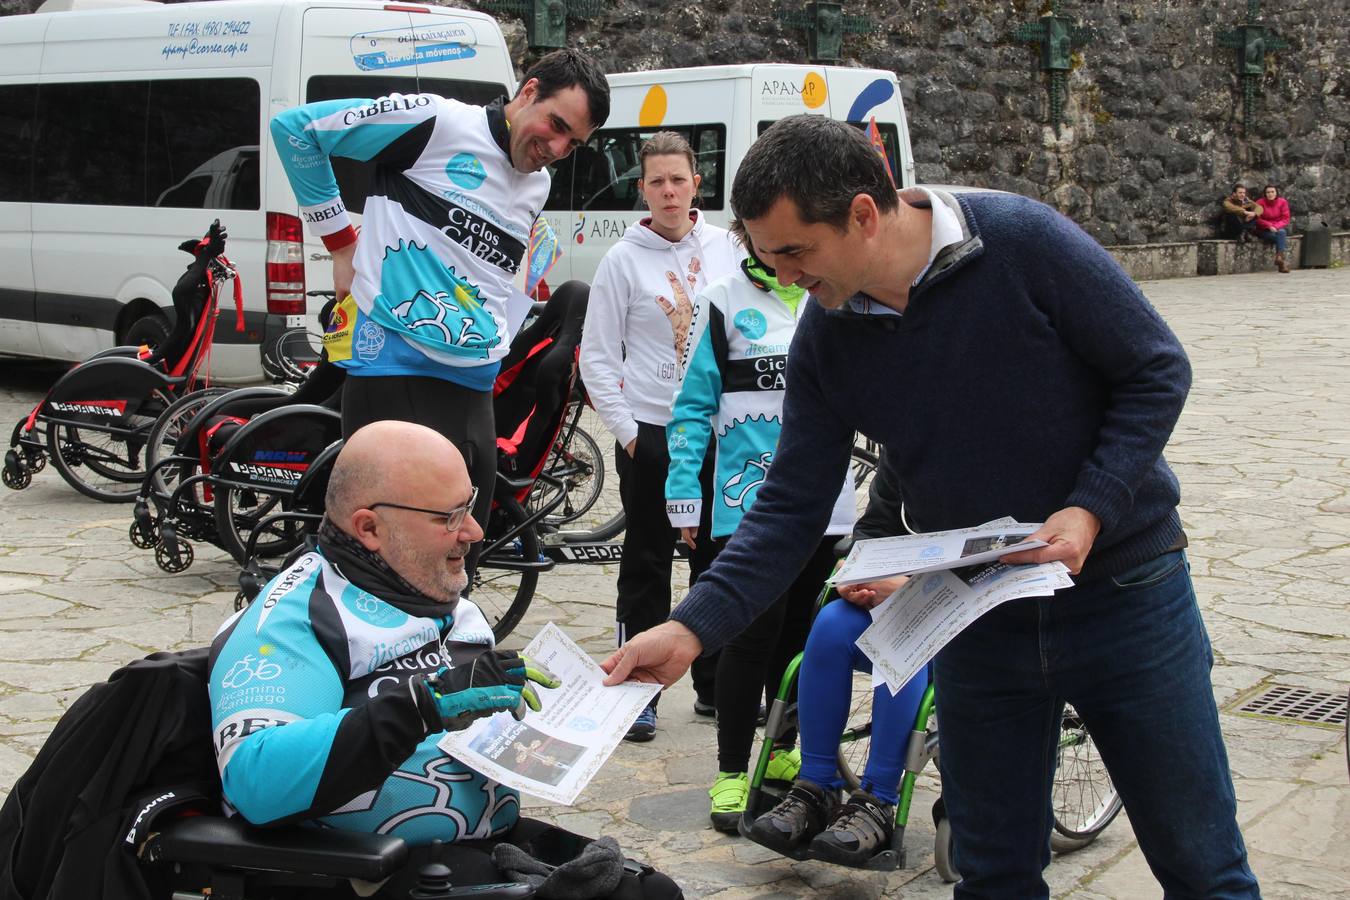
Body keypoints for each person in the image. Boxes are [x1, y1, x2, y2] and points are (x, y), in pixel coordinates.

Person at [601, 115, 1260, 898]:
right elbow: (789, 506)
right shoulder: (827, 333)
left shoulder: (1023, 241)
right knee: (991, 874)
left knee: (1201, 866)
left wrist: (1090, 508)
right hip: (977, 616)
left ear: (863, 215)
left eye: (792, 252)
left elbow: (1156, 370)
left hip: (1126, 594)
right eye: (760, 254)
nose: (779, 274)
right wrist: (689, 627)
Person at [208, 420, 681, 898]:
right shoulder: (295, 620)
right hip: (357, 867)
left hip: (476, 843)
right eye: (449, 517)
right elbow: (256, 779)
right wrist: (423, 705)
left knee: (652, 891)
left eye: (470, 506)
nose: (474, 532)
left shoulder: (438, 592)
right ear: (369, 527)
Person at [270, 48, 611, 568]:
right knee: (384, 554)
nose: (558, 148)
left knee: (460, 555)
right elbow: (297, 131)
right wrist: (339, 242)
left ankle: (443, 649)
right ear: (528, 92)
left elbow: (491, 274)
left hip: (474, 381)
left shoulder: (536, 184)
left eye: (574, 143)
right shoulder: (437, 121)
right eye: (556, 124)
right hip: (394, 362)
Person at [663, 249, 854, 830]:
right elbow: (693, 406)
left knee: (802, 634)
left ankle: (780, 752)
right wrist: (683, 492)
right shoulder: (723, 298)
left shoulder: (835, 293)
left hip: (829, 503)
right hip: (749, 507)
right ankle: (729, 770)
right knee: (751, 636)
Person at [579, 131, 744, 741]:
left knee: (716, 557)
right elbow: (596, 357)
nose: (669, 191)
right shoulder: (623, 260)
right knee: (646, 562)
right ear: (641, 188)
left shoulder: (728, 248)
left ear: (696, 183)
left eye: (679, 179)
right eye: (657, 181)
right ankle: (638, 691)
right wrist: (627, 435)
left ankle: (715, 681)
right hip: (652, 432)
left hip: (718, 432)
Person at [744, 455, 929, 866]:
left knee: (903, 637)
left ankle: (879, 799)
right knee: (829, 623)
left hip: (963, 615)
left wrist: (906, 588)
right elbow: (873, 530)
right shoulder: (906, 450)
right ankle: (817, 786)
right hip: (888, 598)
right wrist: (853, 573)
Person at [1254, 183, 1292, 273]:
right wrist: (1269, 226)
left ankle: (1279, 258)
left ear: (1276, 193)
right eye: (1268, 192)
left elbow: (1286, 218)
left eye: (1272, 192)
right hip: (1263, 230)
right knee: (1281, 237)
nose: (1270, 194)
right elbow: (1257, 218)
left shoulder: (1282, 202)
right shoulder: (1259, 203)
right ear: (1265, 194)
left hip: (1277, 229)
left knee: (1281, 232)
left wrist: (1275, 226)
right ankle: (1281, 262)